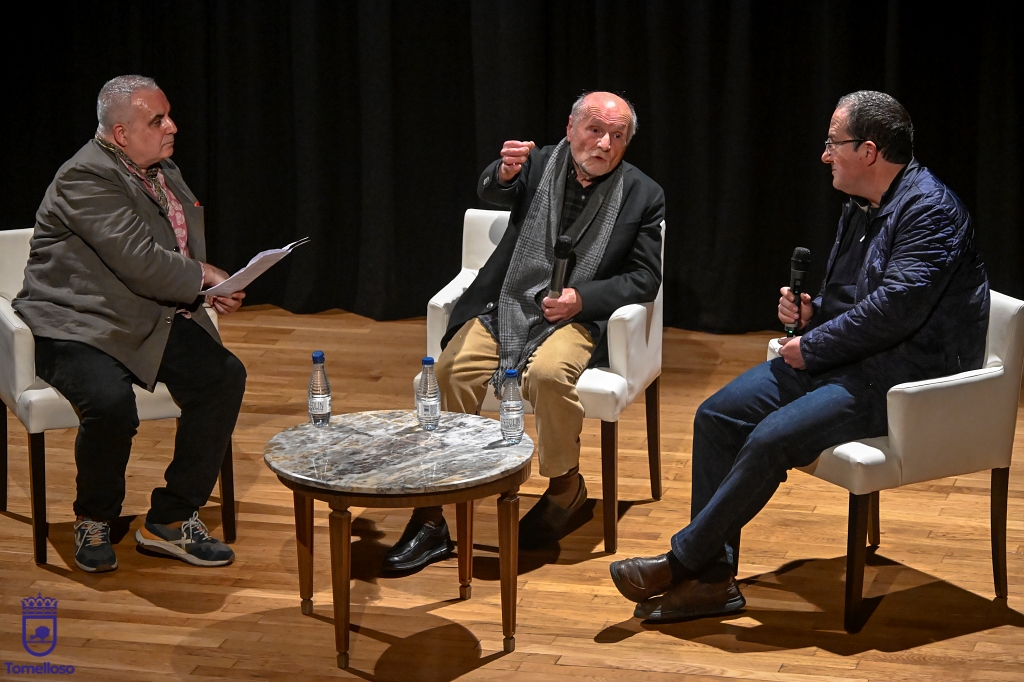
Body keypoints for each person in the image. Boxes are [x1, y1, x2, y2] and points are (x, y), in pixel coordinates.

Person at [609, 90, 989, 621]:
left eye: (834, 143)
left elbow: (892, 313)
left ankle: (681, 560)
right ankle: (714, 581)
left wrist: (812, 346)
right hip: (849, 360)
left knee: (769, 439)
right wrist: (813, 316)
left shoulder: (931, 213)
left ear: (870, 152)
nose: (825, 154)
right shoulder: (861, 205)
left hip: (903, 379)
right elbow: (852, 300)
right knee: (717, 415)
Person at [384, 91, 666, 571]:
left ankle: (564, 490)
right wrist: (504, 172)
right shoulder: (536, 163)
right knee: (449, 371)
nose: (604, 144)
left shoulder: (643, 193)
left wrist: (583, 298)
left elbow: (645, 277)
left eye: (617, 137)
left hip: (575, 316)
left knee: (550, 376)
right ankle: (433, 512)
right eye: (595, 130)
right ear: (571, 127)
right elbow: (491, 192)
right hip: (507, 301)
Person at [13, 75, 247, 573]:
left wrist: (206, 290)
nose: (172, 127)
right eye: (157, 120)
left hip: (144, 314)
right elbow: (138, 259)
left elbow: (173, 249)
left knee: (222, 377)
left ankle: (170, 517)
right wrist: (203, 276)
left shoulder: (160, 171)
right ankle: (94, 517)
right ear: (120, 134)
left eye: (168, 115)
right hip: (78, 321)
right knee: (109, 404)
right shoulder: (84, 177)